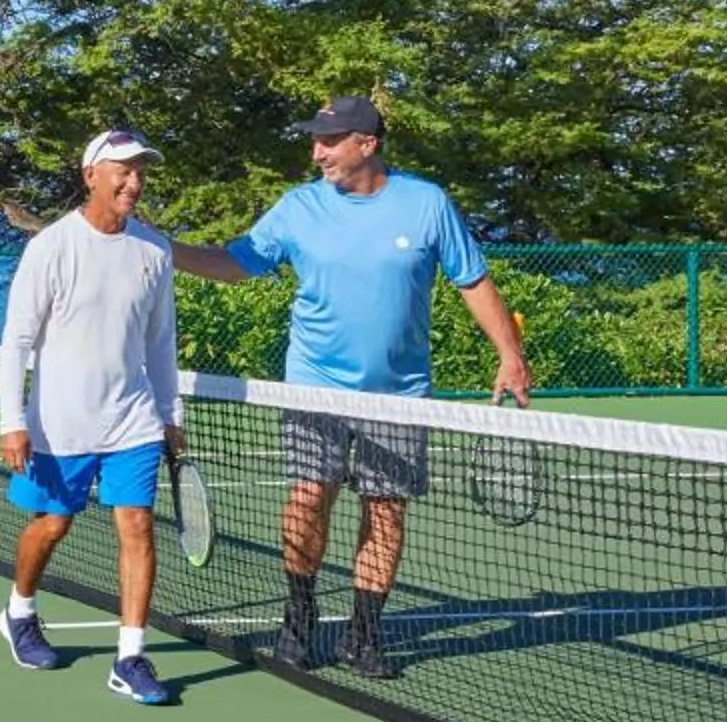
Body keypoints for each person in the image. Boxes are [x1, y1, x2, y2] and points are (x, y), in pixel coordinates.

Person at [173, 95, 532, 678]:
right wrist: (166, 250)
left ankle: (364, 634)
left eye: (330, 141)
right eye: (315, 140)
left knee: (385, 510)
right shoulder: (298, 208)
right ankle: (300, 614)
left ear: (367, 144)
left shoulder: (427, 204)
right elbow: (238, 262)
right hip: (313, 388)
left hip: (399, 393)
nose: (318, 152)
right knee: (309, 497)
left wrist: (510, 356)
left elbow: (472, 279)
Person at [0, 128, 186, 706]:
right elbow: (17, 339)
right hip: (59, 423)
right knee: (53, 525)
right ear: (91, 176)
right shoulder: (51, 247)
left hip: (133, 421)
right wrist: (12, 419)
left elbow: (160, 344)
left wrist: (169, 412)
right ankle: (19, 610)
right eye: (122, 171)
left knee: (137, 526)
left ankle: (130, 657)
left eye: (140, 172)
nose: (134, 181)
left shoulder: (154, 251)